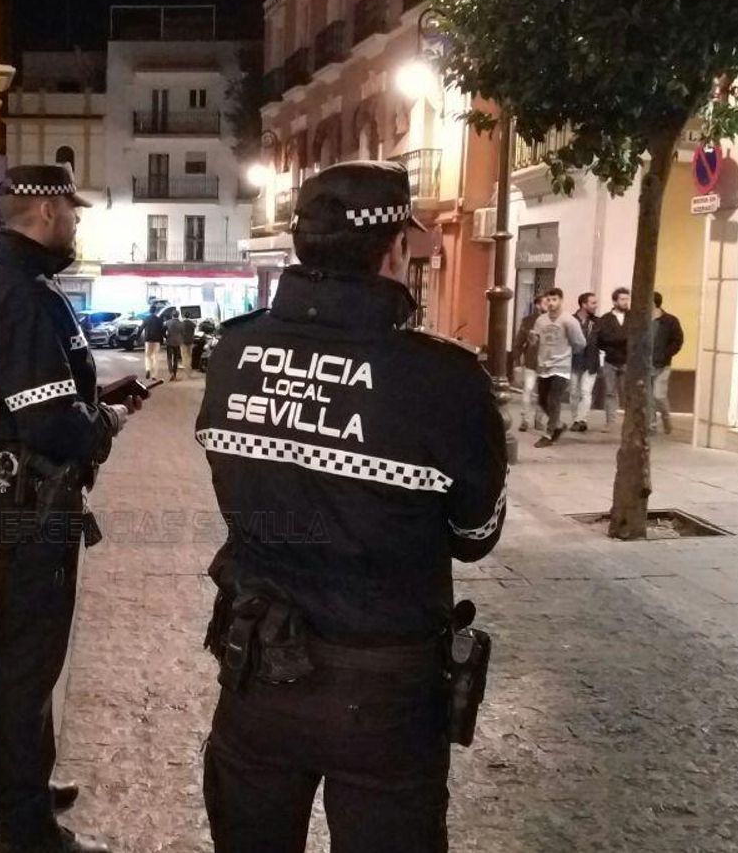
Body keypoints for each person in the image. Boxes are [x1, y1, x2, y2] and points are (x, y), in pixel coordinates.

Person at [195, 161, 508, 853]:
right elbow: (475, 532)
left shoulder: (232, 351)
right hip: (385, 690)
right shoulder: (445, 378)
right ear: (395, 249)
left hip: (257, 671)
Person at [0, 165, 142, 853]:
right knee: (30, 658)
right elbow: (54, 427)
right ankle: (27, 827)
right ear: (43, 211)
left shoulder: (7, 283)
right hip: (37, 497)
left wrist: (101, 396)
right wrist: (109, 422)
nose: (77, 221)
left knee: (8, 643)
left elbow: (30, 395)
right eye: (72, 209)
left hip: (12, 488)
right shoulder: (28, 295)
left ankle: (8, 786)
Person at [530, 288, 586, 448]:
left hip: (561, 366)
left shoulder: (569, 320)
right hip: (544, 365)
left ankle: (549, 433)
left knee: (553, 399)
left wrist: (567, 354)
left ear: (561, 300)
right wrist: (532, 339)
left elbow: (580, 343)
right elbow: (536, 340)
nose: (551, 303)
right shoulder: (541, 320)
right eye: (548, 300)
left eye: (554, 300)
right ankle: (559, 424)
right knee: (542, 400)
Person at [596, 287, 631, 428]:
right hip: (610, 360)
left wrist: (618, 339)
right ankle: (610, 422)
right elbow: (602, 338)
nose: (625, 302)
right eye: (622, 299)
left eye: (627, 299)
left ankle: (630, 422)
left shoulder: (633, 317)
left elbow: (636, 336)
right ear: (615, 301)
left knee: (628, 393)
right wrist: (621, 339)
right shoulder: (606, 319)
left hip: (628, 360)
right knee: (610, 392)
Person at [650, 292, 684, 436]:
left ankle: (666, 417)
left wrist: (666, 354)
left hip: (662, 364)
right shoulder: (642, 320)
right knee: (648, 397)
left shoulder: (670, 321)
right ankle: (651, 425)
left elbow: (678, 340)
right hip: (645, 363)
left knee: (658, 395)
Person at [569, 292, 602, 432]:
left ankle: (581, 419)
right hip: (573, 361)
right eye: (593, 303)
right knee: (573, 393)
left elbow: (603, 340)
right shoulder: (570, 321)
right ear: (583, 304)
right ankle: (576, 418)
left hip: (591, 362)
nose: (596, 306)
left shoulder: (598, 322)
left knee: (585, 392)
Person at [512, 300, 543, 433]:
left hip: (547, 363)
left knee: (543, 393)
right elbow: (518, 343)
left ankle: (539, 419)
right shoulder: (528, 321)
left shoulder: (554, 321)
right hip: (531, 361)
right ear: (537, 305)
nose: (549, 304)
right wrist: (517, 362)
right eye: (545, 302)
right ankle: (525, 419)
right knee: (528, 390)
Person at [142, 306, 167, 380]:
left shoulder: (146, 319)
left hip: (148, 340)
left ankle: (148, 369)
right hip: (156, 341)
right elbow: (162, 330)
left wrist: (136, 338)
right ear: (155, 311)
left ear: (150, 311)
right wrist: (166, 337)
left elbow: (141, 328)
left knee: (147, 356)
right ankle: (154, 376)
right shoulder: (159, 320)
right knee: (155, 357)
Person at [164, 310, 186, 380]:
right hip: (177, 343)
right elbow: (183, 333)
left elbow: (163, 330)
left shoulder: (167, 322)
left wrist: (165, 337)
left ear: (172, 315)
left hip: (169, 342)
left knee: (169, 358)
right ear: (178, 315)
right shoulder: (181, 323)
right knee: (176, 359)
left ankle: (171, 373)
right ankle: (175, 374)